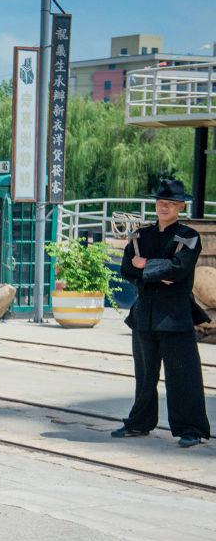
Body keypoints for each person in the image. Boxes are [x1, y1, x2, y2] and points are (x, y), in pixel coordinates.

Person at [112, 178, 211, 448]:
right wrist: (157, 271)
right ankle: (139, 423)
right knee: (145, 374)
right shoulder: (141, 235)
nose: (163, 207)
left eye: (170, 204)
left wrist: (146, 265)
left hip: (176, 315)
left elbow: (179, 270)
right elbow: (127, 269)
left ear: (180, 206)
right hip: (144, 313)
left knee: (183, 374)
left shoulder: (189, 236)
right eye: (160, 203)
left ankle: (191, 428)